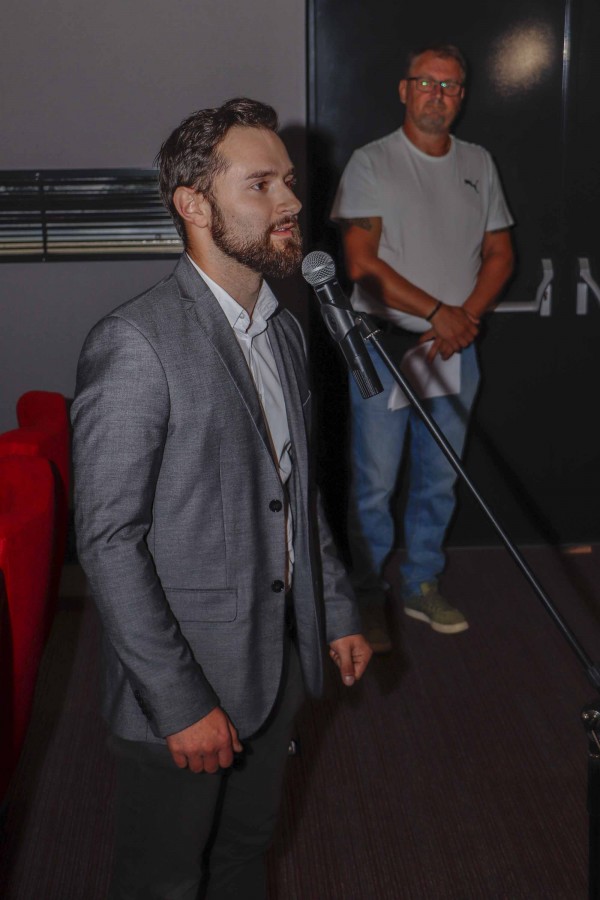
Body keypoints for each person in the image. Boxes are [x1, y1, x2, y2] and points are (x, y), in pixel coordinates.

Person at [72, 97, 371, 900]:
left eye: (289, 181)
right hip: (185, 682)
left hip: (277, 661)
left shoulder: (284, 328)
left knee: (246, 852)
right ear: (194, 205)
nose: (291, 201)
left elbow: (294, 491)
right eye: (261, 185)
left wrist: (335, 607)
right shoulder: (134, 343)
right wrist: (179, 703)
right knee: (165, 880)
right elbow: (108, 542)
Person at [330, 44, 514, 652]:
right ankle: (366, 593)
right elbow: (361, 262)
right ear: (405, 90)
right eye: (427, 83)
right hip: (385, 346)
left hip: (451, 349)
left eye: (451, 85)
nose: (439, 94)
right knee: (376, 482)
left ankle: (421, 582)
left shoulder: (478, 162)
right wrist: (440, 313)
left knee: (440, 477)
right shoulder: (372, 162)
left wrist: (461, 321)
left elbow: (499, 253)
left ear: (463, 96)